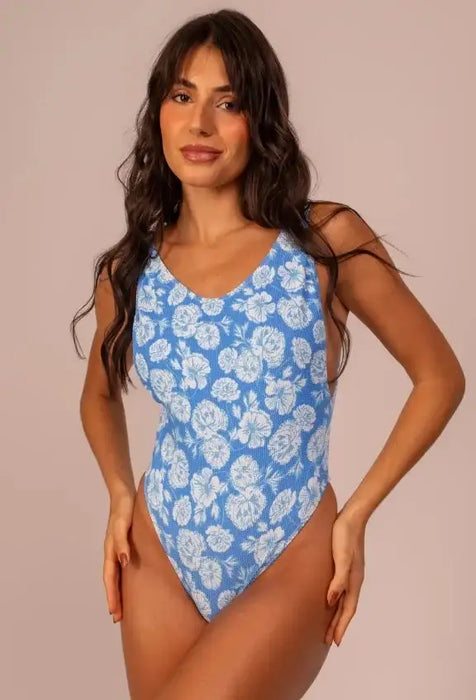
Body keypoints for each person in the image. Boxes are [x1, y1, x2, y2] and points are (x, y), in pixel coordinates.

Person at [71, 9, 465, 699]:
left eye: (228, 104)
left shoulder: (325, 241)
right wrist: (119, 491)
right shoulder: (128, 271)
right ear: (158, 113)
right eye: (183, 96)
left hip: (290, 547)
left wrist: (357, 514)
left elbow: (439, 376)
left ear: (261, 121)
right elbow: (98, 394)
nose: (200, 124)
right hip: (161, 548)